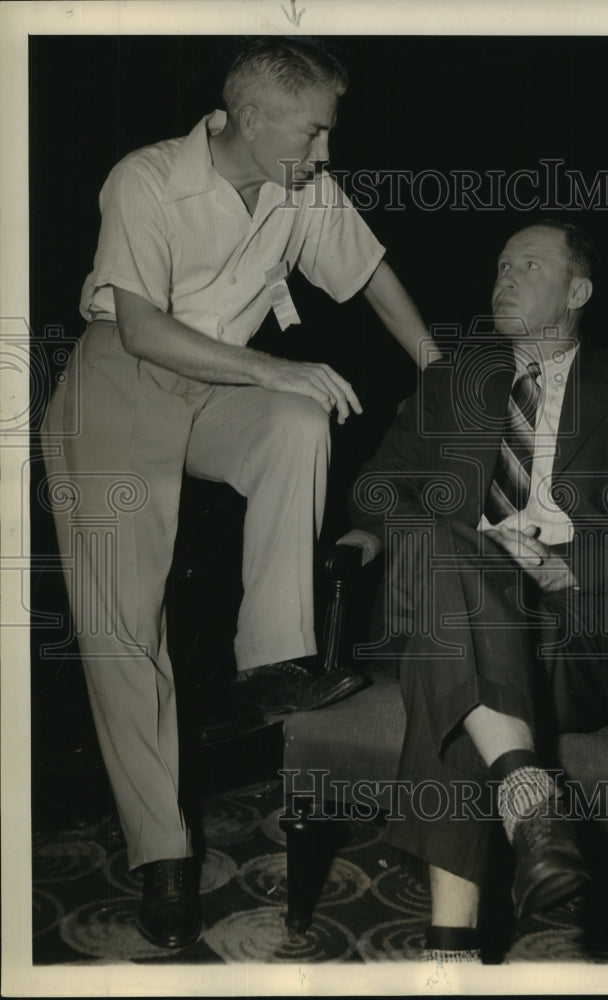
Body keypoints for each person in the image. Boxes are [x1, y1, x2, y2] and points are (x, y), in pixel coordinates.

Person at [42, 37, 439, 949]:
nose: (327, 151)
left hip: (219, 388)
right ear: (253, 117)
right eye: (317, 131)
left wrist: (443, 372)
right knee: (122, 625)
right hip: (122, 377)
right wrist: (275, 366)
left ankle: (275, 659)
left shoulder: (302, 186)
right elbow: (141, 330)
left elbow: (372, 275)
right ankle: (163, 855)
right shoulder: (144, 179)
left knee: (302, 420)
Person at [342, 219, 608, 963]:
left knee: (455, 667)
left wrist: (581, 561)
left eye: (529, 266)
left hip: (574, 638)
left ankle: (455, 935)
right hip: (453, 606)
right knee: (449, 569)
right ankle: (525, 800)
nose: (504, 278)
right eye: (501, 265)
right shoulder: (451, 384)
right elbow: (374, 492)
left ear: (578, 291)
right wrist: (463, 540)